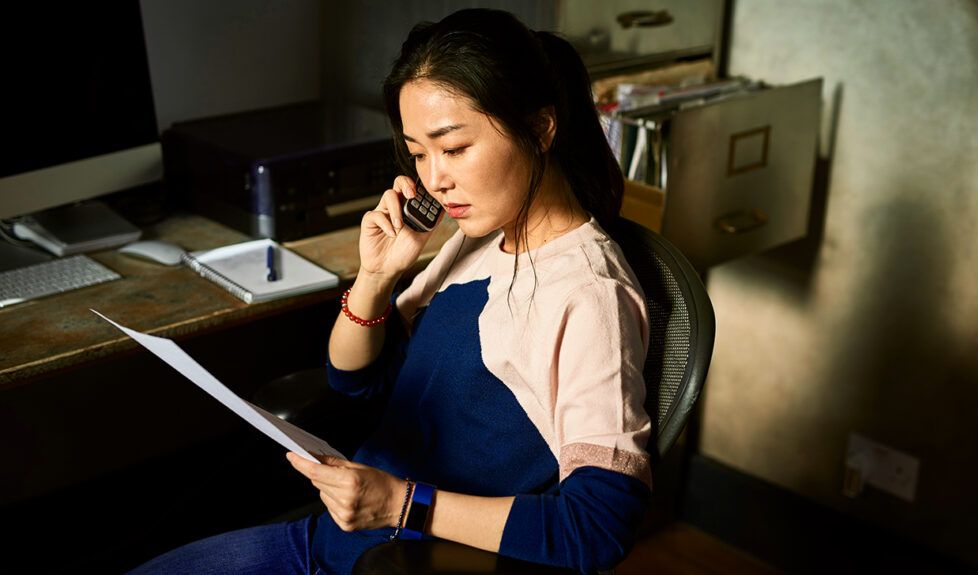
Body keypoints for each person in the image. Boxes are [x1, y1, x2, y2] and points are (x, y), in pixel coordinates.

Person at [127, 8, 651, 575]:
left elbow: (596, 527)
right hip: (332, 540)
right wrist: (375, 278)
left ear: (541, 128)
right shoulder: (479, 236)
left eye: (453, 148)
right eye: (418, 153)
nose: (435, 180)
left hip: (400, 562)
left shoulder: (589, 295)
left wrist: (400, 503)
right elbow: (355, 384)